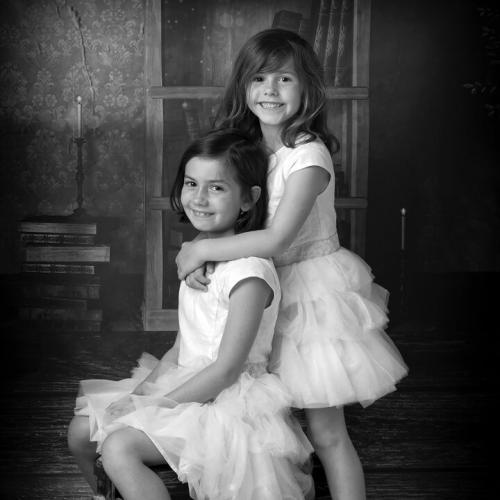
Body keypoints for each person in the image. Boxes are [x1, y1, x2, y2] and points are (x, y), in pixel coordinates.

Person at [175, 29, 409, 500]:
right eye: (259, 78)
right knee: (261, 421)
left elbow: (279, 238)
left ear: (308, 90)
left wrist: (198, 250)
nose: (270, 90)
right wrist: (203, 246)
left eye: (285, 79)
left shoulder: (309, 155)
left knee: (326, 433)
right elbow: (235, 214)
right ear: (244, 86)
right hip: (261, 290)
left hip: (310, 297)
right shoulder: (250, 150)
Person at [67, 129, 314, 500]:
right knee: (80, 433)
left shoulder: (250, 273)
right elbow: (180, 348)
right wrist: (137, 395)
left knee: (120, 446)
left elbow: (226, 369)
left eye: (216, 188)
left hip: (227, 402)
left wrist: (151, 407)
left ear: (248, 199)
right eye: (191, 183)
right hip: (185, 380)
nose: (198, 198)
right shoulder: (198, 255)